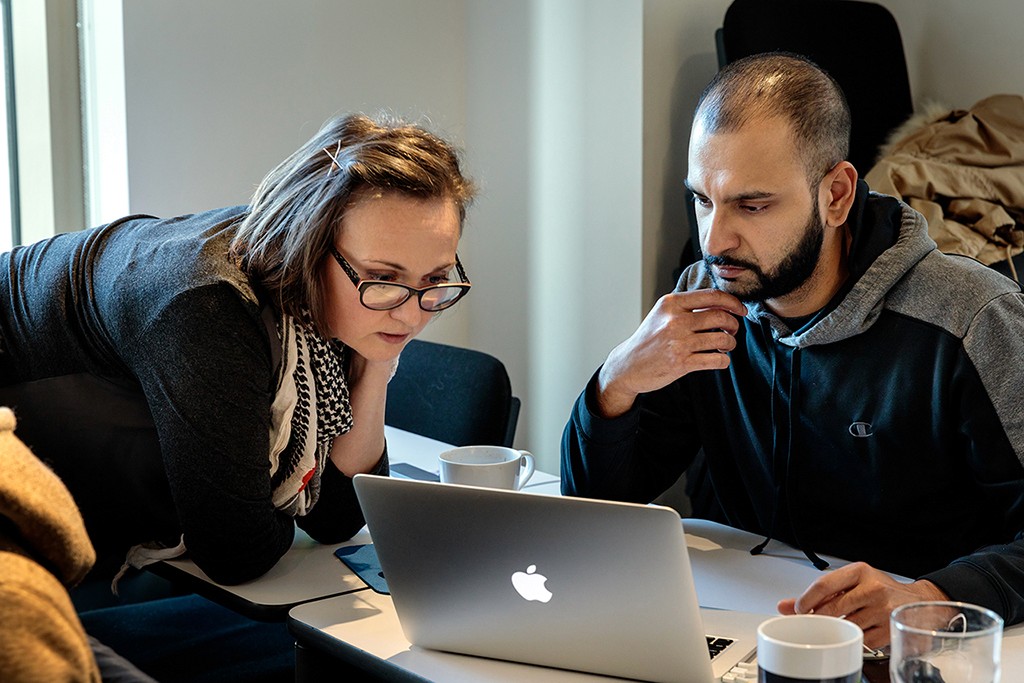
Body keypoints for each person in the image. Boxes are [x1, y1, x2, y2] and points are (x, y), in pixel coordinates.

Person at [561, 52, 1024, 649]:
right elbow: (593, 514)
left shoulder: (972, 317)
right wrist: (615, 384)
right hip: (741, 633)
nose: (713, 240)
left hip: (913, 648)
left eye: (752, 205)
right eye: (703, 200)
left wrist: (928, 600)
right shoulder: (707, 296)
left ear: (835, 194)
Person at [0, 113, 475, 680]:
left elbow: (339, 514)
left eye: (436, 279)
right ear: (308, 242)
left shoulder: (334, 296)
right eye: (385, 276)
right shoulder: (209, 305)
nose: (410, 311)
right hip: (26, 532)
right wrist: (261, 500)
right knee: (327, 659)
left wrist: (377, 366)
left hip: (102, 510)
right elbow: (237, 553)